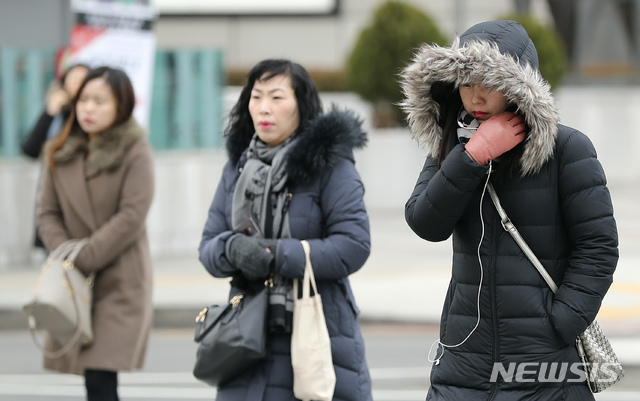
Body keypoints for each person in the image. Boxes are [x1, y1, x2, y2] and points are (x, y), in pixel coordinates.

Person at [400, 20, 618, 400]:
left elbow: (598, 248)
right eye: (466, 83)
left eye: (490, 84)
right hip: (462, 359)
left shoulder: (567, 149)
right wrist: (471, 158)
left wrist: (559, 323)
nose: (476, 97)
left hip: (543, 366)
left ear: (520, 88)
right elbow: (425, 222)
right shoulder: (453, 145)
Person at [198, 58, 373, 401]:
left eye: (277, 98)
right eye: (256, 96)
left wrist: (277, 255)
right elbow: (208, 247)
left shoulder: (330, 165)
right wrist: (232, 249)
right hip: (246, 336)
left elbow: (354, 245)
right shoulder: (238, 167)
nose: (264, 108)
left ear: (301, 105)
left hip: (316, 328)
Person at [37, 66, 155, 401]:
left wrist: (85, 256)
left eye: (100, 101)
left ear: (122, 107)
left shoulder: (136, 150)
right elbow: (47, 213)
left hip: (120, 279)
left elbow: (132, 215)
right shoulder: (60, 149)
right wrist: (67, 255)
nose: (89, 108)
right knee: (93, 379)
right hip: (72, 278)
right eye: (84, 100)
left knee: (101, 373)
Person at [22, 63, 90, 250]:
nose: (78, 84)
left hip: (84, 198)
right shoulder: (56, 114)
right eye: (73, 79)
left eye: (83, 79)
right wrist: (50, 113)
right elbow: (30, 150)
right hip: (54, 198)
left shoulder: (93, 117)